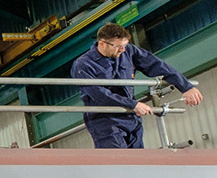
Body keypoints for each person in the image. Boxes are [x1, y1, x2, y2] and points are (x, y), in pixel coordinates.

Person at [71, 22, 203, 149]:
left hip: (131, 117)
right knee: (118, 162)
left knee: (138, 162)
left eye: (125, 45)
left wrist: (186, 87)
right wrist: (132, 104)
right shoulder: (83, 65)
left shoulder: (129, 51)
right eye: (118, 46)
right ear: (102, 44)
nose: (122, 50)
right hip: (105, 120)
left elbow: (158, 65)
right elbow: (99, 94)